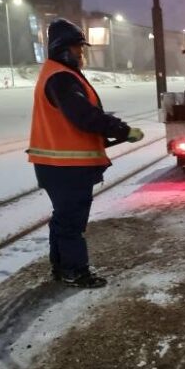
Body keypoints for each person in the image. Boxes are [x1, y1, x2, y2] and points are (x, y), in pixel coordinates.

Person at [27, 18, 144, 288]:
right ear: (61, 49)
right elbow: (84, 116)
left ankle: (61, 268)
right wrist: (121, 129)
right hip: (66, 166)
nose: (81, 54)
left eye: (81, 49)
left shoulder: (56, 74)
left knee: (63, 219)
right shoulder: (60, 78)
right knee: (71, 222)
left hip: (55, 164)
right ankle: (74, 271)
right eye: (77, 49)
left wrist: (111, 130)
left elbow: (80, 115)